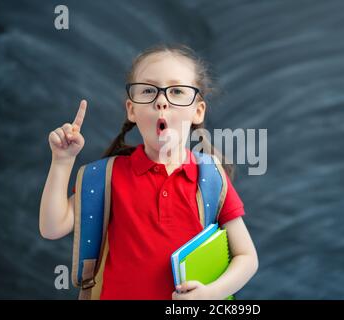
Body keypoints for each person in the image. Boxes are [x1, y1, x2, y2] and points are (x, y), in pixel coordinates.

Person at [39, 44, 258, 300]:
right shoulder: (107, 177)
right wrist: (62, 161)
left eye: (176, 91)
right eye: (148, 91)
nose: (161, 101)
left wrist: (211, 293)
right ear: (131, 109)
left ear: (197, 111)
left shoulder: (210, 179)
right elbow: (51, 227)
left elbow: (247, 257)